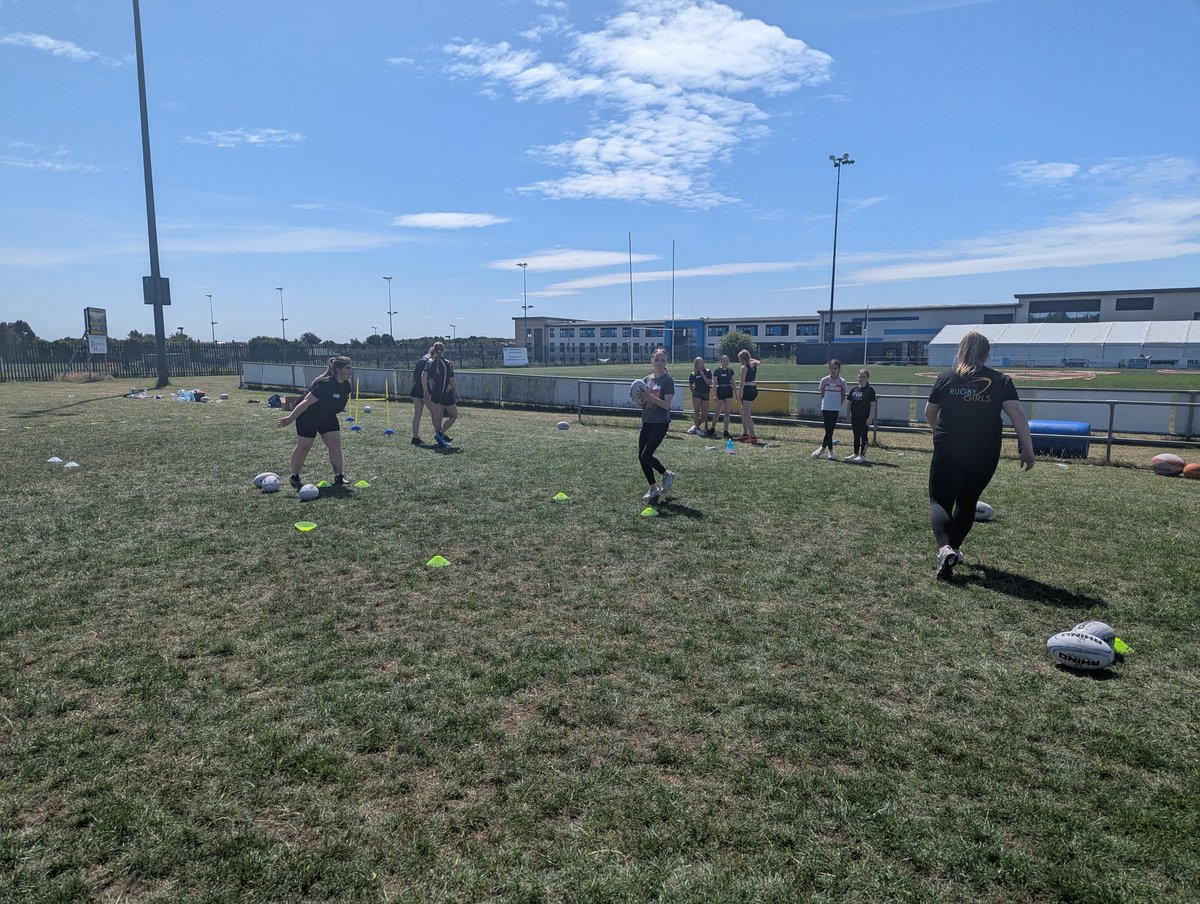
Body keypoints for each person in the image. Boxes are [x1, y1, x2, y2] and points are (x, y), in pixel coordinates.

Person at [924, 331, 1035, 581]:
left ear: (960, 351)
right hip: (985, 449)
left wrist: (938, 432)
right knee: (968, 500)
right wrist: (1027, 448)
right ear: (986, 354)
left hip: (949, 445)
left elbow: (929, 413)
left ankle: (945, 548)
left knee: (940, 500)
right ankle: (952, 551)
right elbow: (1017, 415)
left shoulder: (946, 378)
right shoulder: (1000, 380)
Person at [277, 355, 355, 489]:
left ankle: (338, 476)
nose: (351, 370)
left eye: (351, 367)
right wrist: (290, 418)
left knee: (335, 443)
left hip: (327, 417)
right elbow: (306, 402)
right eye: (347, 368)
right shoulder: (325, 385)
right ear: (337, 369)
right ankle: (294, 476)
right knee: (304, 446)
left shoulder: (346, 386)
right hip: (309, 416)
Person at [638, 348, 676, 500]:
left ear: (666, 362)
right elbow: (643, 402)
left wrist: (648, 396)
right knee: (641, 456)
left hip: (660, 423)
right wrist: (639, 398)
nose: (659, 363)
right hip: (647, 421)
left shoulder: (668, 380)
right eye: (657, 359)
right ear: (652, 361)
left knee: (646, 454)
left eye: (662, 360)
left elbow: (667, 405)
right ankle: (653, 488)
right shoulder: (647, 379)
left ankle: (667, 474)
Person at [421, 341, 458, 448]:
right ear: (443, 350)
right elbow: (451, 379)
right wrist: (456, 392)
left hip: (435, 394)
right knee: (453, 415)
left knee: (438, 416)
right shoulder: (447, 363)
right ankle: (440, 434)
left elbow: (424, 376)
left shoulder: (429, 363)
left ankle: (440, 439)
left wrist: (427, 390)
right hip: (446, 393)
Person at [812, 359, 847, 460]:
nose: (833, 370)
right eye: (831, 368)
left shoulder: (842, 381)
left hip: (835, 408)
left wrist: (837, 405)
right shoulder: (824, 380)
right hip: (826, 407)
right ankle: (830, 452)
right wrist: (825, 402)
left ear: (839, 369)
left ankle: (822, 449)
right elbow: (822, 394)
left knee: (830, 429)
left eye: (835, 368)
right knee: (828, 430)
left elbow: (843, 396)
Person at [845, 368, 877, 463]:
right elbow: (849, 403)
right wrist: (848, 415)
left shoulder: (870, 390)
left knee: (864, 435)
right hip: (855, 416)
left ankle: (862, 455)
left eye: (864, 377)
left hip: (865, 417)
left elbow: (872, 405)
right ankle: (855, 453)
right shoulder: (854, 389)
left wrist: (870, 417)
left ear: (867, 378)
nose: (861, 378)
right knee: (856, 435)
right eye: (860, 376)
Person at [409, 346, 434, 445]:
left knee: (417, 415)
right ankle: (440, 435)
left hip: (416, 389)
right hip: (425, 390)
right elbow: (427, 377)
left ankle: (415, 437)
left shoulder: (420, 360)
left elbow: (413, 375)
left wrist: (414, 386)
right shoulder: (430, 361)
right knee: (436, 414)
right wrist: (426, 391)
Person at [736, 348, 760, 443]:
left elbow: (741, 383)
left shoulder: (744, 367)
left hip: (748, 390)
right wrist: (750, 359)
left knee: (747, 414)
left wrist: (738, 396)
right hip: (753, 389)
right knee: (742, 411)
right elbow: (758, 362)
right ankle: (745, 434)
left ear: (741, 358)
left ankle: (753, 436)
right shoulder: (753, 364)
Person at [687, 356, 712, 436]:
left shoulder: (708, 371)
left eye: (701, 362)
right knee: (696, 411)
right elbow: (690, 386)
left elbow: (709, 382)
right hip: (697, 394)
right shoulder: (693, 374)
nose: (700, 364)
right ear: (696, 364)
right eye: (698, 363)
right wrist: (694, 392)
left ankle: (695, 426)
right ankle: (698, 429)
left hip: (705, 393)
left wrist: (703, 375)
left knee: (705, 412)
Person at [713, 354, 736, 438]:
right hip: (720, 391)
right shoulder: (717, 371)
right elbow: (715, 384)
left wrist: (737, 395)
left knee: (727, 413)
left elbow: (733, 383)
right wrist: (714, 395)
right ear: (721, 361)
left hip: (728, 391)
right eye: (724, 361)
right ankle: (712, 428)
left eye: (727, 361)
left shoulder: (731, 371)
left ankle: (725, 431)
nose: (726, 362)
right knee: (717, 412)